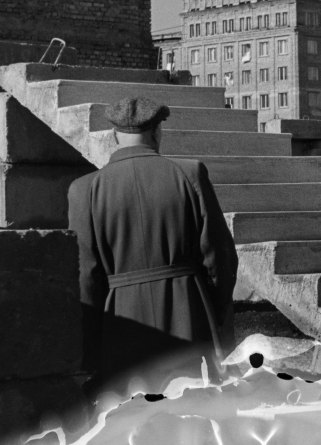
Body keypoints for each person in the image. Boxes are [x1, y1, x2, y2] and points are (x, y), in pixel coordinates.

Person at [67, 97, 238, 387]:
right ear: (158, 132)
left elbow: (86, 276)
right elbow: (220, 258)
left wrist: (91, 342)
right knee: (194, 411)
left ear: (114, 136)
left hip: (121, 320)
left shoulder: (84, 189)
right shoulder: (190, 173)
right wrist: (215, 312)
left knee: (132, 417)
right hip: (189, 311)